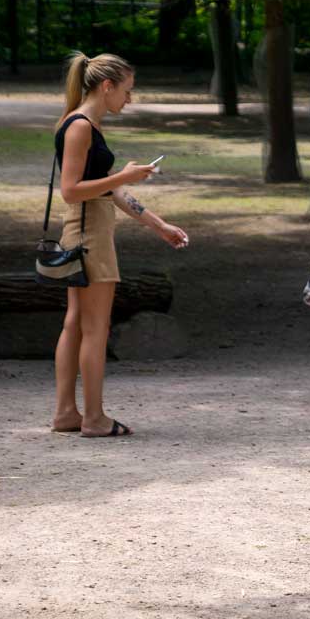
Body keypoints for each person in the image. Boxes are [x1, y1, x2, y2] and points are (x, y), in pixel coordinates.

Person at [51, 52, 189, 437]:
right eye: (127, 91)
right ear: (107, 86)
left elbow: (108, 187)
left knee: (77, 324)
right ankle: (93, 418)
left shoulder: (84, 125)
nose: (129, 99)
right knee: (95, 327)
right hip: (88, 232)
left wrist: (158, 224)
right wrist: (124, 175)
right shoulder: (80, 127)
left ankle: (67, 413)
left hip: (83, 230)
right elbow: (71, 191)